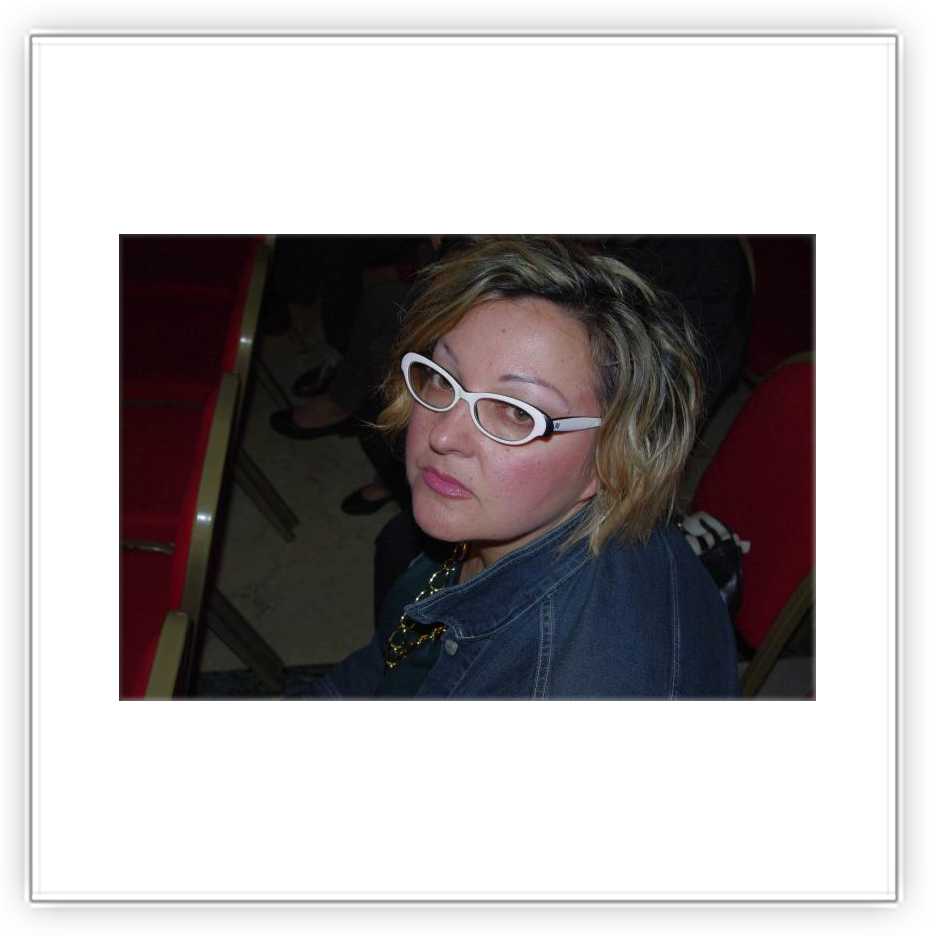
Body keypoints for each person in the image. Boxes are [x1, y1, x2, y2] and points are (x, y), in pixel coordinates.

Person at [285, 237, 739, 699]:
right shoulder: (510, 521)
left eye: (518, 412)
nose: (443, 436)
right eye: (443, 378)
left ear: (613, 456)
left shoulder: (567, 685)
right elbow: (380, 663)